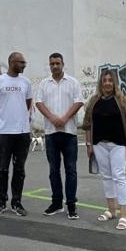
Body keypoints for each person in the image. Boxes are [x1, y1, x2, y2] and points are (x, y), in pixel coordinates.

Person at [81, 67, 126, 230]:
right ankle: (111, 210)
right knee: (106, 177)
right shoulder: (94, 101)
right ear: (101, 83)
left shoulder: (122, 100)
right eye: (104, 80)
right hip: (99, 144)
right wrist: (89, 145)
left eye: (110, 80)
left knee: (119, 177)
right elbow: (87, 125)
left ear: (115, 83)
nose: (107, 83)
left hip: (118, 145)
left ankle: (124, 215)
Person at [34, 52, 85, 219]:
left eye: (57, 63)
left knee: (71, 170)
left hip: (69, 133)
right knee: (53, 170)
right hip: (51, 133)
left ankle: (71, 205)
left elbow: (78, 101)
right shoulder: (44, 84)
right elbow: (39, 102)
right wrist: (52, 118)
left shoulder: (73, 83)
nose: (55, 66)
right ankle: (56, 203)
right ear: (50, 66)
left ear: (63, 64)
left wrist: (64, 118)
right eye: (52, 64)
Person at [0, 52, 32, 216]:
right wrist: (1, 121)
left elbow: (28, 104)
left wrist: (20, 120)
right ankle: (1, 202)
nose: (24, 65)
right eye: (21, 62)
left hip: (22, 133)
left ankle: (17, 203)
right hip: (4, 133)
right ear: (12, 62)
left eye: (24, 62)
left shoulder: (26, 82)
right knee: (3, 169)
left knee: (19, 169)